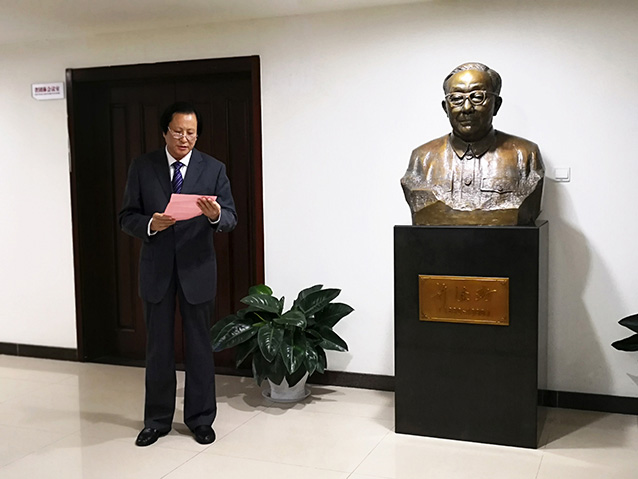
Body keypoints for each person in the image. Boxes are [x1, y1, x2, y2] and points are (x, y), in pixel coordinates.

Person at [119, 101, 237, 446]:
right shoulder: (143, 167)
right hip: (156, 271)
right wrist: (150, 224)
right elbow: (126, 217)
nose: (185, 138)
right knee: (158, 348)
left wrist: (215, 215)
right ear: (165, 132)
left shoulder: (213, 168)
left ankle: (201, 420)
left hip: (197, 270)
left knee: (199, 347)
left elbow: (230, 217)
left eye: (191, 133)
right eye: (178, 132)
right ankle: (157, 421)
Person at [401, 62, 544, 225]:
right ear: (445, 108)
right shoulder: (422, 158)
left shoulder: (525, 154)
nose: (467, 107)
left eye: (477, 97)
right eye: (456, 99)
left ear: (496, 105)